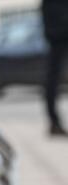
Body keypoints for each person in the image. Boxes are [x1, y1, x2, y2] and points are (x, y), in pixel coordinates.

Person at [43, 0, 68, 136]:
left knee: (52, 79)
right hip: (58, 36)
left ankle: (54, 122)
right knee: (52, 80)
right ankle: (54, 122)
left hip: (56, 34)